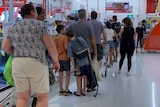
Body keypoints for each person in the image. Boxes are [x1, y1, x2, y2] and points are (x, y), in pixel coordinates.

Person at [1, 3, 60, 107]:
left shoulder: (13, 26)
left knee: (22, 97)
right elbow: (50, 46)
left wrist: (17, 52)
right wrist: (56, 61)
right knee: (42, 96)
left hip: (18, 63)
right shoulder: (40, 25)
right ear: (32, 12)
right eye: (36, 11)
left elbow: (5, 47)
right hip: (37, 62)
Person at [67, 9, 97, 92]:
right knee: (88, 70)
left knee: (79, 71)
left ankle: (79, 89)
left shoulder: (73, 25)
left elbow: (66, 32)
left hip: (76, 52)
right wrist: (95, 50)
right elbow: (92, 38)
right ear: (85, 16)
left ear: (78, 16)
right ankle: (88, 87)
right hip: (87, 50)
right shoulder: (88, 25)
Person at [66, 30, 92, 96]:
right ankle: (84, 90)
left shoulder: (70, 45)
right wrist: (90, 59)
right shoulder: (80, 39)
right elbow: (87, 48)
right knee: (85, 76)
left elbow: (71, 57)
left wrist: (74, 66)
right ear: (74, 34)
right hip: (86, 61)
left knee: (78, 77)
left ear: (68, 37)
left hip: (78, 63)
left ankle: (78, 92)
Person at [55, 25, 72, 96]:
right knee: (68, 74)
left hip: (58, 58)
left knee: (60, 74)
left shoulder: (56, 38)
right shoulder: (64, 37)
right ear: (61, 30)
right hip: (65, 58)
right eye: (64, 29)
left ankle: (61, 90)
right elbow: (66, 47)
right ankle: (66, 89)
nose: (65, 30)